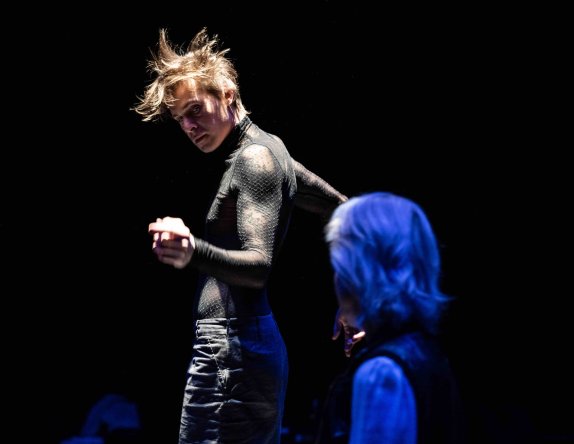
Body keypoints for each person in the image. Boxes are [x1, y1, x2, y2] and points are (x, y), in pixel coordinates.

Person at [132, 27, 347, 444]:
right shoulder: (270, 148)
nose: (189, 126)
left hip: (231, 350)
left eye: (195, 110)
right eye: (180, 119)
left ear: (228, 94)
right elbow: (344, 210)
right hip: (240, 348)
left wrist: (192, 250)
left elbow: (258, 267)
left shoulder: (255, 158)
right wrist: (355, 293)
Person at [316, 192, 465, 444]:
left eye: (339, 266)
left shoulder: (382, 373)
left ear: (358, 272)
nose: (336, 278)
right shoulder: (426, 350)